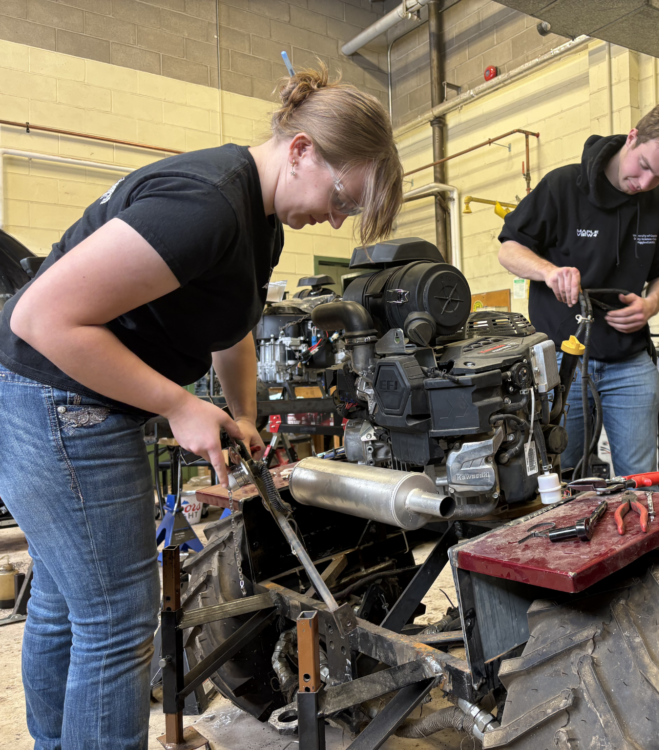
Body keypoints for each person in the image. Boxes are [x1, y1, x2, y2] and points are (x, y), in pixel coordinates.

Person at [0, 66, 402, 750]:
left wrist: (242, 413)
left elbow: (232, 327)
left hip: (60, 399)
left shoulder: (258, 218)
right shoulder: (207, 202)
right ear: (302, 150)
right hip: (57, 400)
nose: (335, 220)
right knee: (119, 622)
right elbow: (40, 318)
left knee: (70, 607)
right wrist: (178, 405)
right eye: (342, 198)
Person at [498, 100, 659, 477]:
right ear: (633, 137)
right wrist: (549, 272)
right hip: (564, 363)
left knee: (640, 485)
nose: (645, 184)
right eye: (643, 167)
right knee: (561, 478)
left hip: (630, 363)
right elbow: (509, 249)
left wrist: (651, 304)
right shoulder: (562, 186)